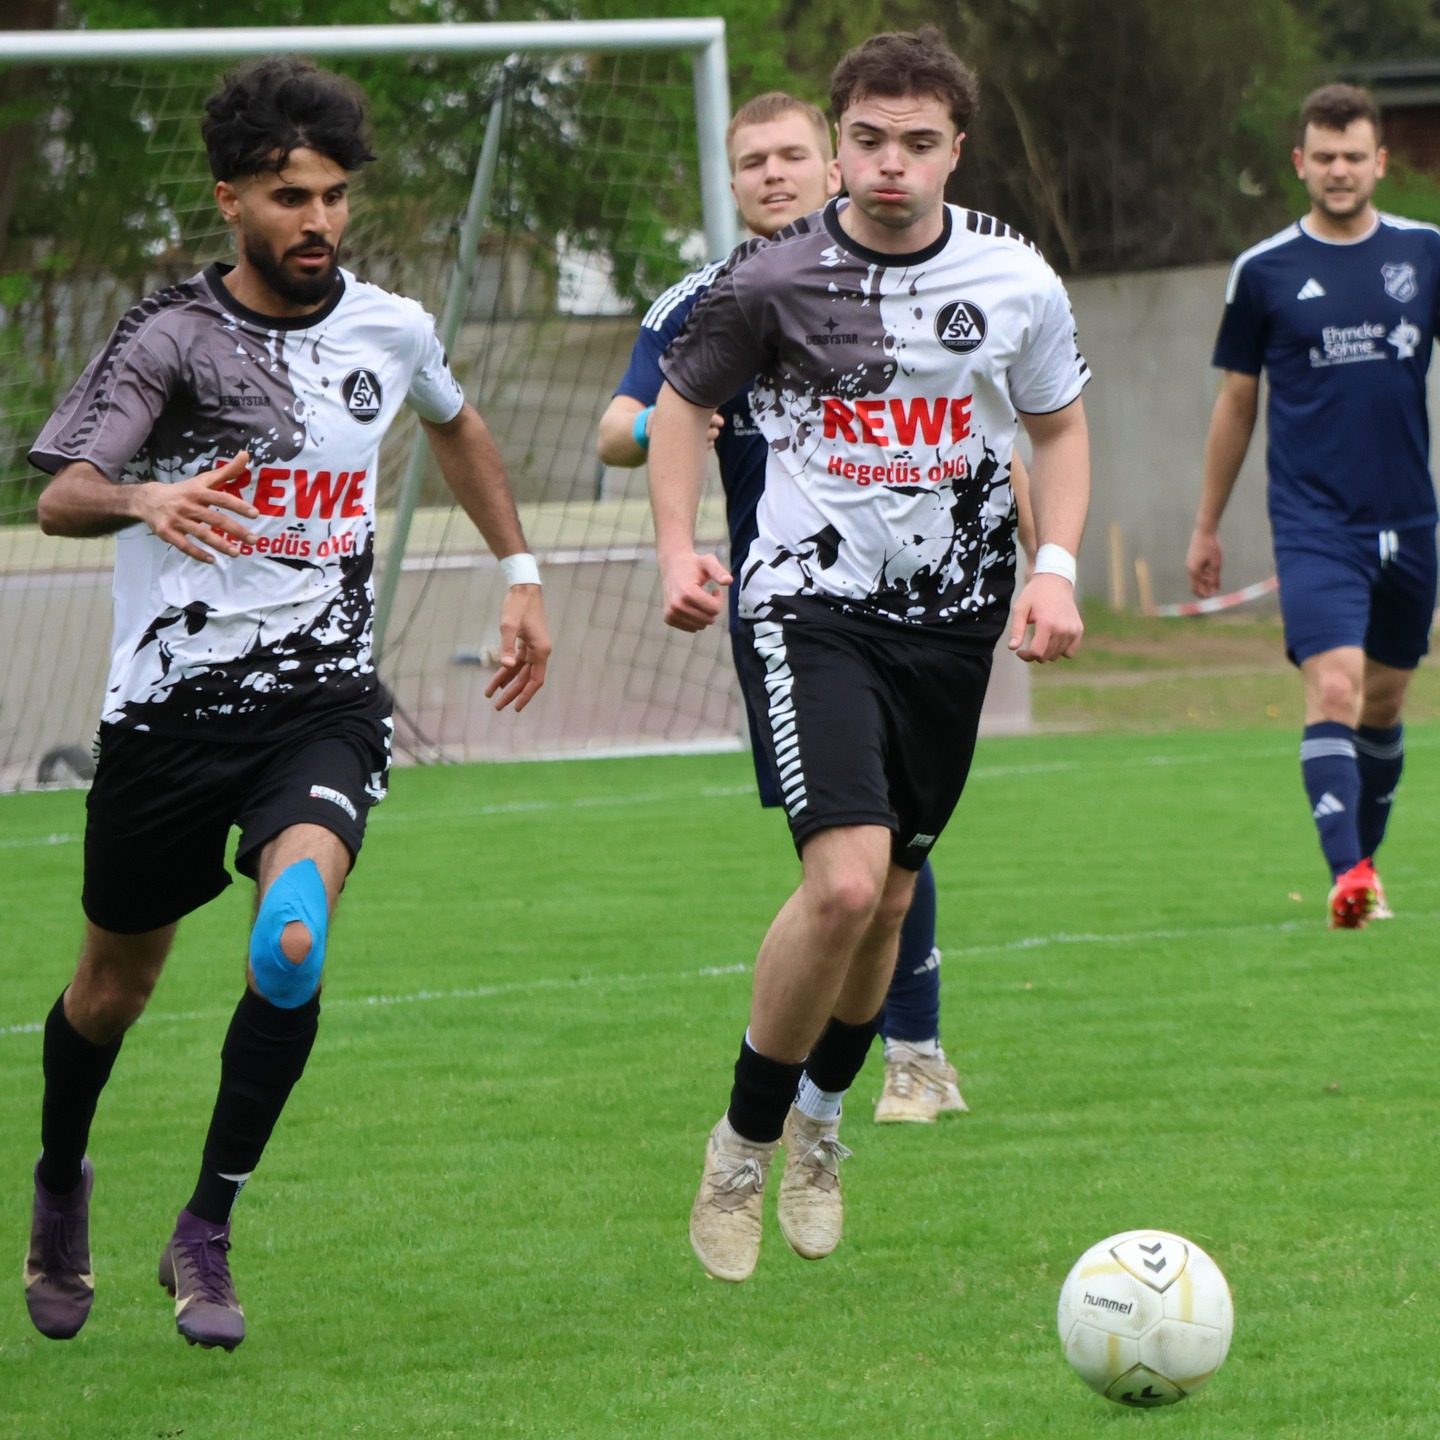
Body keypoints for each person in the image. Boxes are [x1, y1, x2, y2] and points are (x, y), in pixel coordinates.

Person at [21, 57, 551, 1351]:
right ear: (230, 200)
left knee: (293, 933)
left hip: (320, 701)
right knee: (110, 989)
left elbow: (457, 423)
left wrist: (520, 573)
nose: (316, 220)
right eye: (286, 196)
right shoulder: (168, 340)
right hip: (162, 718)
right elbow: (59, 494)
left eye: (332, 196)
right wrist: (149, 495)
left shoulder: (392, 327)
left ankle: (206, 1225)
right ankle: (58, 1184)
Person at [646, 28, 1090, 1282]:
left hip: (950, 621)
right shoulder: (771, 281)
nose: (889, 164)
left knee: (892, 894)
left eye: (918, 142)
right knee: (843, 883)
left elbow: (1058, 429)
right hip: (808, 605)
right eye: (868, 139)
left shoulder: (1017, 280)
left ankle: (823, 1125)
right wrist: (680, 546)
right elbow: (681, 403)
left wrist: (1053, 567)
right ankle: (741, 1145)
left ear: (958, 147)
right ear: (839, 142)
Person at [599, 91, 995, 1125]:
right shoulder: (701, 302)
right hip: (795, 604)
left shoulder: (916, 291)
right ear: (732, 185)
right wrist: (671, 417)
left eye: (791, 157)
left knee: (895, 852)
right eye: (751, 163)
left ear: (831, 170)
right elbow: (615, 427)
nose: (772, 175)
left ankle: (903, 1054)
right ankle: (859, 1074)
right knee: (855, 856)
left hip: (919, 601)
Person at [1186, 83, 1439, 930]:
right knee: (1334, 685)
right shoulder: (1263, 272)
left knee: (1385, 702)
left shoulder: (1425, 254)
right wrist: (1206, 523)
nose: (1338, 170)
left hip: (1410, 522)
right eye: (1323, 156)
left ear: (1380, 163)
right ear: (1300, 164)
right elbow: (1235, 405)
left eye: (1353, 156)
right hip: (1313, 524)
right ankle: (1347, 875)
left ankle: (1364, 863)